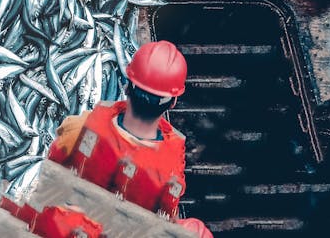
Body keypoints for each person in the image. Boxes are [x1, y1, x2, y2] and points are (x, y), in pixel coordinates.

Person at [48, 40, 213, 238]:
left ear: (127, 86)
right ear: (173, 102)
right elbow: (166, 217)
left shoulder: (80, 127)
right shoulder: (171, 169)